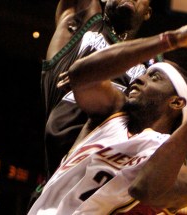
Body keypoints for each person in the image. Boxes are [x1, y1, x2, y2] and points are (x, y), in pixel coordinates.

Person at [28, 10, 187, 214]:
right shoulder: (111, 114)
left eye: (154, 77)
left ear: (176, 103)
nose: (138, 81)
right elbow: (80, 75)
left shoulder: (185, 176)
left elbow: (144, 188)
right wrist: (172, 39)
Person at [42, 0, 162, 179]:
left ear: (148, 12)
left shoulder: (152, 65)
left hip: (106, 183)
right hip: (57, 178)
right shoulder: (81, 21)